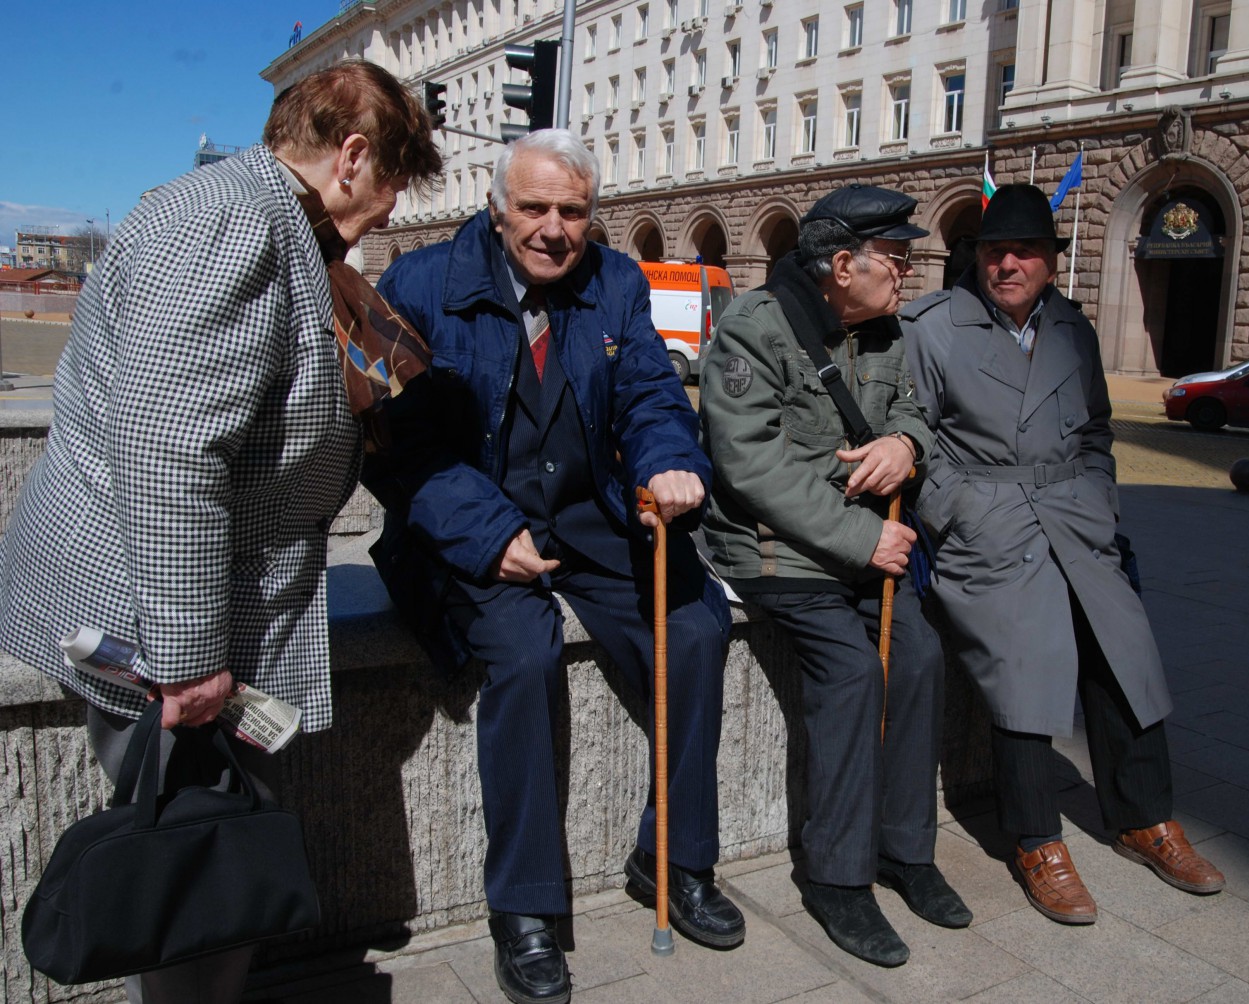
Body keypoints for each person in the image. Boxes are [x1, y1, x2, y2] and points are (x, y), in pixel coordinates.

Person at [0, 59, 442, 1002]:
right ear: (353, 156)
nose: (393, 210)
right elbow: (169, 448)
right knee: (191, 857)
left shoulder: (262, 214)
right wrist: (190, 655)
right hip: (156, 624)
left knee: (201, 842)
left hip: (178, 608)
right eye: (395, 183)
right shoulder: (230, 222)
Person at [365, 129, 741, 1004]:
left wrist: (664, 460)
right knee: (526, 657)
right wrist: (485, 534)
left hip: (591, 516)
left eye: (573, 211)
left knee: (695, 625)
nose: (554, 229)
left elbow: (650, 393)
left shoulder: (617, 283)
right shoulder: (420, 286)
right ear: (497, 209)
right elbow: (397, 449)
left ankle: (675, 855)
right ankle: (525, 910)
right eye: (534, 208)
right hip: (474, 529)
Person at [900, 184, 1224, 925]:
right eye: (993, 251)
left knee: (1125, 653)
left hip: (1074, 520)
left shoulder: (1073, 329)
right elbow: (910, 435)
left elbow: (1097, 431)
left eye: (1024, 252)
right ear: (977, 257)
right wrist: (960, 514)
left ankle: (1146, 819)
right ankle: (1037, 841)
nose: (1006, 263)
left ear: (1051, 262)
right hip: (987, 526)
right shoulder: (932, 327)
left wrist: (1098, 498)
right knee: (1025, 665)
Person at [698, 185, 969, 967]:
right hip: (777, 550)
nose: (907, 271)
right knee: (853, 673)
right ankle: (836, 878)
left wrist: (904, 450)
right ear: (842, 264)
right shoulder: (754, 328)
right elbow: (750, 469)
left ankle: (905, 850)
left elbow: (915, 412)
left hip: (860, 547)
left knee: (918, 658)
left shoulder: (883, 329)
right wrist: (861, 537)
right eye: (896, 257)